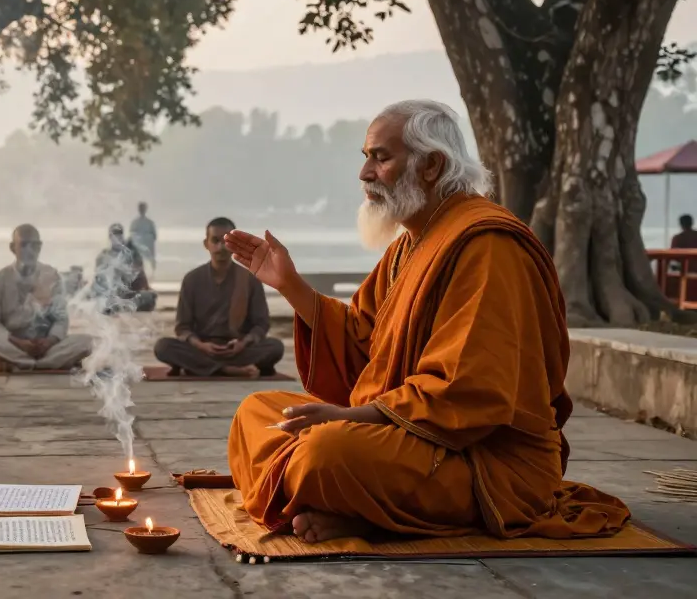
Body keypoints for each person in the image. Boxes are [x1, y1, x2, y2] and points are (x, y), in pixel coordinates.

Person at [224, 100, 628, 545]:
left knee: (324, 452)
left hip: (481, 458)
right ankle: (358, 509)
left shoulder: (487, 244)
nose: (365, 175)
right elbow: (364, 342)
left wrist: (347, 417)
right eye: (366, 158)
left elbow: (469, 391)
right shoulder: (411, 242)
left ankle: (362, 512)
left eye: (381, 157)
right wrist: (290, 285)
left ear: (432, 165)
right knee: (256, 413)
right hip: (405, 434)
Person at [154, 217, 284, 378]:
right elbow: (182, 327)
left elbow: (261, 324)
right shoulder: (192, 279)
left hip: (237, 349)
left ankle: (205, 367)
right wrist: (201, 345)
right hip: (202, 348)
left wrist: (243, 343)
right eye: (215, 241)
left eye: (226, 241)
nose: (221, 247)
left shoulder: (249, 279)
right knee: (163, 346)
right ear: (206, 244)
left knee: (275, 347)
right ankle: (226, 369)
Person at [0, 224, 94, 372]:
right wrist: (18, 342)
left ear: (40, 247)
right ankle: (42, 364)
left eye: (34, 245)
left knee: (88, 342)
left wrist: (50, 341)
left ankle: (28, 364)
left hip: (47, 347)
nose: (29, 251)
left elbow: (61, 319)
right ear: (12, 247)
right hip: (12, 344)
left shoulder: (51, 275)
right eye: (23, 245)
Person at [91, 223, 156, 313]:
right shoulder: (103, 256)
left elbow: (139, 275)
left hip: (129, 292)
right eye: (114, 236)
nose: (117, 239)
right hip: (110, 293)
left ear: (122, 236)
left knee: (148, 297)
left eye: (119, 236)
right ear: (110, 237)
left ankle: (119, 305)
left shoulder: (131, 253)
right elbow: (98, 279)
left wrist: (125, 271)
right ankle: (116, 305)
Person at [129, 201, 157, 275]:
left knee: (150, 260)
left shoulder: (150, 223)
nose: (142, 210)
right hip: (138, 246)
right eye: (141, 208)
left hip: (148, 246)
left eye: (143, 208)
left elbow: (154, 236)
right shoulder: (135, 222)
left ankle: (151, 274)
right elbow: (132, 234)